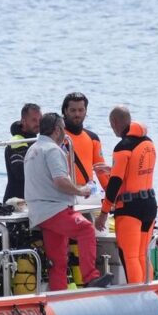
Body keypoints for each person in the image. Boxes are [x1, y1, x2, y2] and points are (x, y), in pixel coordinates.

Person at [24, 112, 113, 290]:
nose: (65, 133)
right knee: (86, 229)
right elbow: (60, 181)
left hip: (39, 212)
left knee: (58, 261)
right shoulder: (53, 150)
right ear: (57, 130)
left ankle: (59, 294)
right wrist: (80, 190)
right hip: (55, 210)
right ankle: (90, 277)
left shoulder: (32, 149)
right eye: (63, 129)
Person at [95, 106, 158, 284]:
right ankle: (150, 290)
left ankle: (137, 294)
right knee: (142, 254)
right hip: (150, 205)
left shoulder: (122, 147)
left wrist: (104, 213)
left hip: (130, 209)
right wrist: (114, 168)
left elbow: (115, 184)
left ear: (114, 123)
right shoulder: (148, 142)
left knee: (130, 257)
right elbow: (138, 172)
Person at [60, 92, 110, 191]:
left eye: (81, 110)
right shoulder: (57, 137)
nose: (77, 114)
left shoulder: (92, 138)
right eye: (73, 110)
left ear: (86, 111)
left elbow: (102, 172)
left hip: (87, 195)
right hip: (63, 194)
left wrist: (111, 196)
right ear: (65, 111)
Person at [3, 103, 42, 200]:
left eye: (40, 120)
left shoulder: (34, 140)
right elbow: (20, 173)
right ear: (23, 121)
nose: (38, 123)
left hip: (30, 198)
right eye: (34, 120)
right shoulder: (17, 141)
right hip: (16, 200)